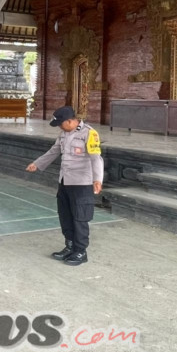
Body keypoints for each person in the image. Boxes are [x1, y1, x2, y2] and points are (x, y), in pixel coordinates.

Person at [25, 106, 103, 266]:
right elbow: (53, 151)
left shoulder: (89, 133)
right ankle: (70, 246)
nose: (60, 127)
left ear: (70, 120)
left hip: (81, 183)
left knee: (80, 217)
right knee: (65, 215)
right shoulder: (63, 134)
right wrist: (37, 164)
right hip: (65, 181)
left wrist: (97, 179)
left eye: (61, 124)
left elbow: (96, 158)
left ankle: (81, 251)